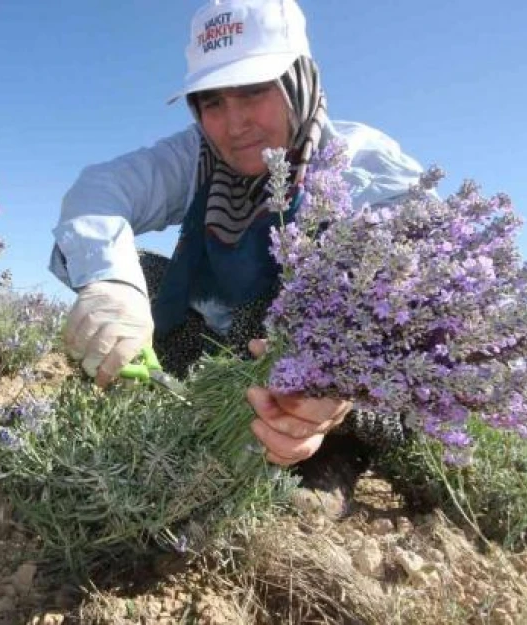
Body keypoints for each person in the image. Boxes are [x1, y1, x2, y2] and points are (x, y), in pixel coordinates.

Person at [49, 0, 427, 517]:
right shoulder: (197, 153)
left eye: (254, 91)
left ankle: (337, 457)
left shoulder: (364, 168)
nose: (235, 124)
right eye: (213, 103)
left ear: (299, 81)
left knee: (411, 360)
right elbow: (101, 190)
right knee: (123, 265)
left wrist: (334, 384)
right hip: (234, 342)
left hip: (318, 357)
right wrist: (114, 286)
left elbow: (421, 295)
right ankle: (190, 416)